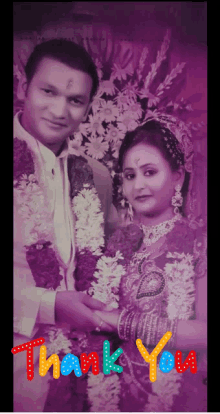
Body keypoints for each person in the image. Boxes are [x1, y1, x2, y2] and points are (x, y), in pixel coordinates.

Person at [13, 38, 118, 412]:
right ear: (23, 88)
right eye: (48, 91)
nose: (60, 110)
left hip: (81, 368)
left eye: (75, 100)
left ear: (88, 107)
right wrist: (50, 306)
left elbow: (108, 265)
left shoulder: (97, 177)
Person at [86, 118, 207, 412]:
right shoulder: (116, 245)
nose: (138, 185)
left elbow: (204, 333)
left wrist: (121, 321)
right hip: (110, 392)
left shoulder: (197, 244)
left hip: (173, 393)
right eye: (129, 175)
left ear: (178, 177)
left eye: (149, 172)